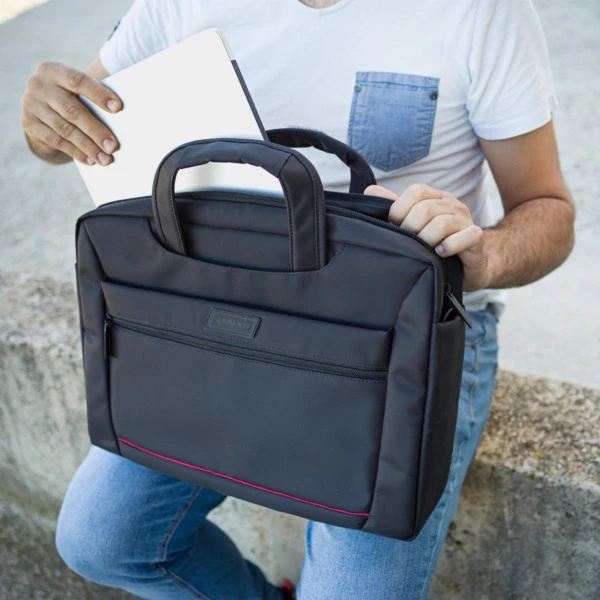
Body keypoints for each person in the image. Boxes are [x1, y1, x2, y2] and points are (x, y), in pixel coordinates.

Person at [20, 0, 575, 598]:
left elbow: (548, 209)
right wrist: (45, 123)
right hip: (218, 309)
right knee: (100, 541)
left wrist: (484, 255)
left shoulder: (483, 12)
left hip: (399, 333)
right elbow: (69, 131)